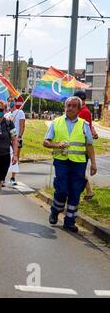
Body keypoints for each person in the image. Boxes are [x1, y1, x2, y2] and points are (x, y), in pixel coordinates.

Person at [44, 96, 97, 233]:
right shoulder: (56, 122)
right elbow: (46, 142)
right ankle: (55, 210)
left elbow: (89, 146)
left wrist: (93, 164)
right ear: (65, 107)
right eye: (68, 105)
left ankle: (69, 222)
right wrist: (57, 145)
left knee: (75, 192)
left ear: (79, 109)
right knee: (62, 189)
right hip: (61, 161)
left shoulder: (84, 124)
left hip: (79, 163)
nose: (71, 108)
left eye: (74, 106)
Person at [74, 91, 99, 201]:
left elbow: (83, 129)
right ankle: (89, 191)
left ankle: (87, 191)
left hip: (82, 147)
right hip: (81, 146)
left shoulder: (83, 112)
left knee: (78, 171)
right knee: (79, 171)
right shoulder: (85, 111)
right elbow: (90, 126)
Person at [5, 96, 26, 186]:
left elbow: (22, 126)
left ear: (15, 102)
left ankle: (13, 178)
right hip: (7, 140)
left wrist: (20, 136)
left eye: (12, 101)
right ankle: (2, 178)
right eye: (9, 101)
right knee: (5, 159)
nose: (10, 102)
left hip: (16, 139)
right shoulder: (6, 115)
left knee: (15, 158)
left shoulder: (20, 112)